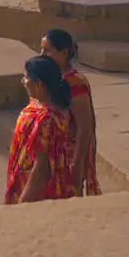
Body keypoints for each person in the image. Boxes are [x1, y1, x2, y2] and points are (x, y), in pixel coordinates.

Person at [5, 55, 76, 205]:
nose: (23, 82)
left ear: (39, 85)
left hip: (38, 192)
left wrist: (24, 200)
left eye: (26, 78)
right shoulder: (40, 107)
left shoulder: (46, 119)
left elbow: (41, 167)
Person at [41, 29, 101, 196]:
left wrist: (77, 162)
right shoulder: (52, 77)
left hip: (68, 155)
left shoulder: (75, 84)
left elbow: (84, 127)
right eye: (42, 50)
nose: (42, 54)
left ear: (64, 52)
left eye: (48, 50)